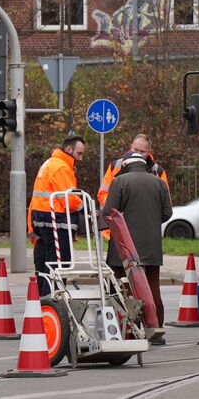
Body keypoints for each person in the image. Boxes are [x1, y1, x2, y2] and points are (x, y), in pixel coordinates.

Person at [102, 151, 173, 334]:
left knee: (123, 286)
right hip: (151, 246)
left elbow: (109, 212)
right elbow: (167, 214)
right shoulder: (159, 182)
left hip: (124, 247)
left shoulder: (119, 182)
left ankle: (127, 329)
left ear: (125, 165)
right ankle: (156, 328)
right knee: (152, 287)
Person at [28, 136, 86, 296]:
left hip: (41, 220)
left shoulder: (49, 163)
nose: (80, 158)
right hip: (56, 221)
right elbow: (69, 198)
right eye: (79, 153)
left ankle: (42, 301)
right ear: (69, 150)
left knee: (45, 263)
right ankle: (53, 302)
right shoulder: (61, 167)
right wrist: (87, 208)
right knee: (59, 264)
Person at [97, 134, 169, 206]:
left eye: (142, 151)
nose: (137, 154)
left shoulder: (158, 171)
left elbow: (166, 201)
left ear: (149, 151)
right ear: (131, 147)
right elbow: (103, 194)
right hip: (119, 215)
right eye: (135, 150)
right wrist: (115, 208)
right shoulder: (115, 166)